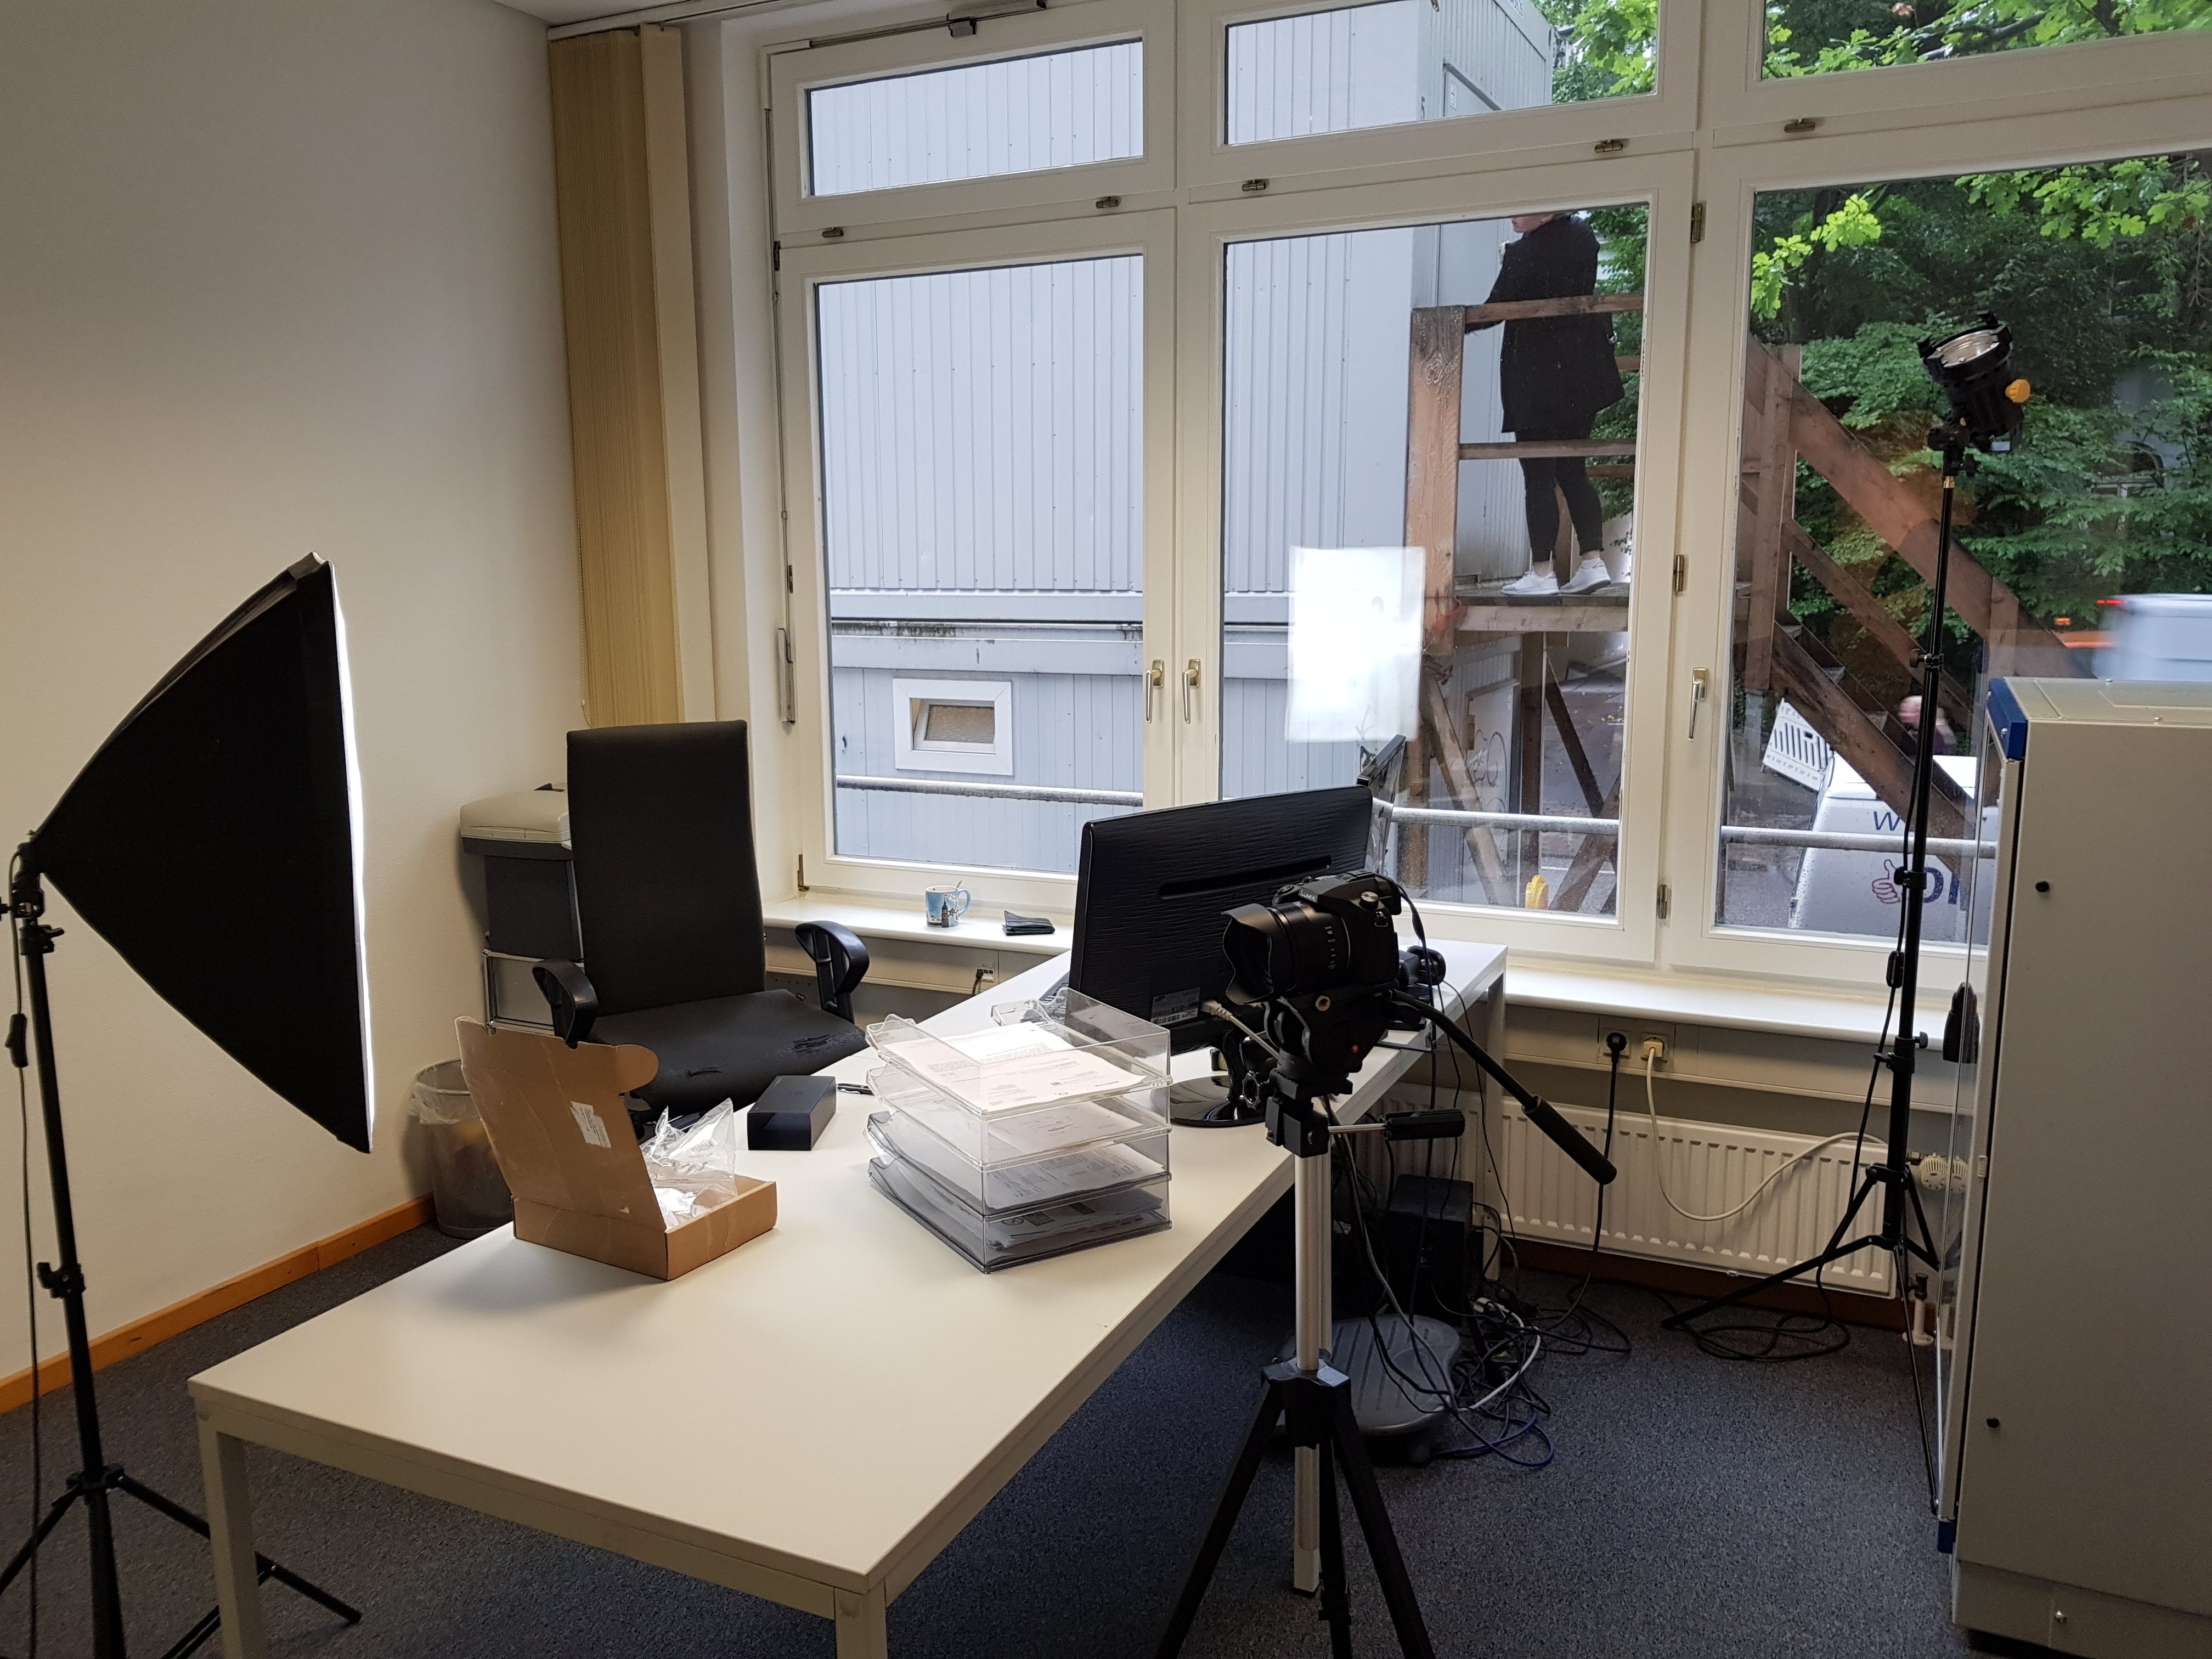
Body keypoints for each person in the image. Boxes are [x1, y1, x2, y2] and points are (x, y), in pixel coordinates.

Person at [1470, 212, 1626, 597]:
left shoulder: (1524, 254)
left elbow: (1495, 308)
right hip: (1584, 373)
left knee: (1538, 472)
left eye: (1524, 208)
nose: (1513, 215)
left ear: (1546, 212)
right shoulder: (1583, 238)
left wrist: (1457, 322)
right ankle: (1592, 563)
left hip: (1537, 377)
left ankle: (1542, 573)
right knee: (1573, 468)